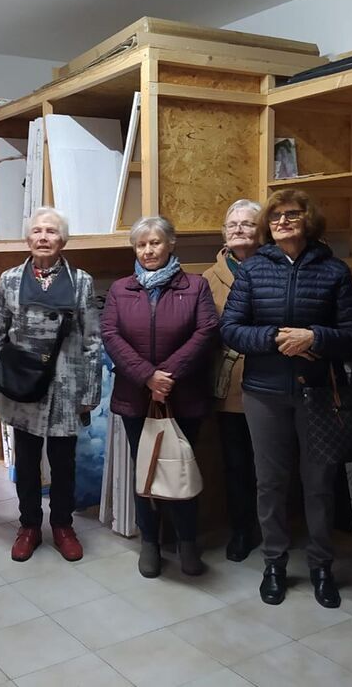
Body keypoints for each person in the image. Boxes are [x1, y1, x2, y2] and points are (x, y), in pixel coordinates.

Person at [221, 188, 352, 609]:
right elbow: (230, 328)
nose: (282, 222)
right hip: (263, 393)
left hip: (318, 392)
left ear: (309, 218)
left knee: (318, 484)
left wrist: (314, 337)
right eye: (276, 216)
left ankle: (321, 565)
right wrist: (274, 338)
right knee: (270, 483)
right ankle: (274, 563)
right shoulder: (253, 270)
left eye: (292, 214)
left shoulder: (334, 270)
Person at [102, 216, 218, 577]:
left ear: (170, 244)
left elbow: (206, 330)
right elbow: (110, 334)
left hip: (184, 396)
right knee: (146, 470)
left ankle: (187, 542)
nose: (148, 250)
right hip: (136, 398)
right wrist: (147, 376)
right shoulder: (120, 289)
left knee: (181, 467)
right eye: (141, 244)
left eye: (155, 242)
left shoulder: (196, 286)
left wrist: (168, 375)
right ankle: (150, 543)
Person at [0, 207, 102, 563]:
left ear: (62, 240)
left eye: (51, 231)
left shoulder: (81, 281)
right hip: (23, 386)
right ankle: (28, 526)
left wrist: (90, 393)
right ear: (28, 238)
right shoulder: (10, 279)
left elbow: (92, 339)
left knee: (63, 463)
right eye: (37, 231)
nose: (43, 237)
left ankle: (62, 526)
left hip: (65, 386)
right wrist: (2, 379)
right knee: (26, 462)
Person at [204, 198, 263, 562]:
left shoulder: (277, 268)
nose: (238, 228)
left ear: (263, 231)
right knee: (236, 462)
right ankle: (242, 529)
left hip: (272, 379)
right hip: (230, 383)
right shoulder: (209, 278)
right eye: (232, 224)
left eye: (248, 223)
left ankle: (273, 527)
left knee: (272, 463)